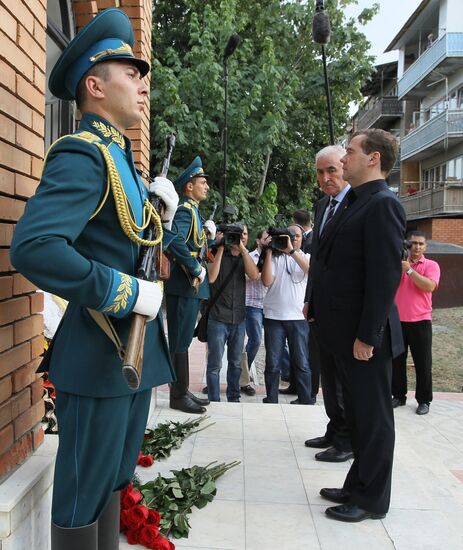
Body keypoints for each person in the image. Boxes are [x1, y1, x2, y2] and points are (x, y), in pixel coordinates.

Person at [10, 9, 179, 548]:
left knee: (113, 484)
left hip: (130, 357)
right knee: (83, 498)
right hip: (101, 348)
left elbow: (129, 245)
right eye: (129, 71)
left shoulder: (121, 160)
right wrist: (126, 291)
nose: (140, 82)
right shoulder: (83, 156)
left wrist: (164, 221)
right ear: (94, 85)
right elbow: (35, 247)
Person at [313, 129, 406, 522]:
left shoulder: (383, 204)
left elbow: (384, 278)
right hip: (344, 334)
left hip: (365, 338)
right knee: (358, 415)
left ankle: (371, 501)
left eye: (350, 151)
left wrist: (368, 336)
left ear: (373, 159)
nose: (344, 156)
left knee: (374, 420)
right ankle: (357, 484)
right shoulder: (354, 201)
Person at [304, 145, 353, 462]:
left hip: (346, 309)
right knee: (328, 373)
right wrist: (309, 298)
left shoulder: (358, 203)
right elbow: (317, 260)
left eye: (331, 170)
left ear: (345, 167)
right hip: (321, 307)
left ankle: (347, 440)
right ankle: (334, 430)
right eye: (320, 172)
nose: (325, 177)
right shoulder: (323, 206)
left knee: (345, 379)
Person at [165, 157, 215, 414]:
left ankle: (182, 390)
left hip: (188, 288)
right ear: (189, 187)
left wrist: (207, 236)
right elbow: (173, 241)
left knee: (183, 340)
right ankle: (177, 395)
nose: (206, 187)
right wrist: (196, 268)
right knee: (179, 342)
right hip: (184, 285)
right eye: (202, 183)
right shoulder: (185, 210)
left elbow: (192, 243)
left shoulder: (193, 210)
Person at [261, 224, 314, 405]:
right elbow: (266, 281)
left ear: (302, 239)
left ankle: (306, 399)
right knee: (273, 362)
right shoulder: (274, 258)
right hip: (273, 316)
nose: (293, 239)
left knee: (302, 362)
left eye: (296, 236)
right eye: (289, 236)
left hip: (298, 318)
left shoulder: (305, 256)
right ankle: (271, 398)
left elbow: (311, 271)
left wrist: (291, 251)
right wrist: (268, 252)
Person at [206, 225, 259, 401]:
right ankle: (214, 399)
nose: (239, 238)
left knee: (236, 364)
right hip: (218, 317)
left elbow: (253, 275)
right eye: (235, 236)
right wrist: (220, 247)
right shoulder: (215, 252)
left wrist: (242, 249)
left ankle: (234, 397)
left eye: (243, 234)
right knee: (214, 364)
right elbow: (211, 277)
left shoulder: (245, 256)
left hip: (239, 318)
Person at [391, 230, 440, 415]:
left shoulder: (431, 265)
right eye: (413, 243)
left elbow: (429, 286)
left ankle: (424, 400)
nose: (416, 247)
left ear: (426, 246)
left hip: (421, 321)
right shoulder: (397, 264)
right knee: (397, 362)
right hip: (397, 320)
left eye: (420, 243)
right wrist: (400, 267)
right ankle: (398, 396)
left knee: (423, 363)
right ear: (407, 245)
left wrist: (409, 270)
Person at [239, 229, 269, 396]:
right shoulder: (249, 256)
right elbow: (249, 276)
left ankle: (243, 376)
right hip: (249, 304)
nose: (268, 242)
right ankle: (243, 377)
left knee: (265, 343)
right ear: (258, 241)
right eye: (266, 239)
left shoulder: (276, 257)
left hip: (267, 305)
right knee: (255, 340)